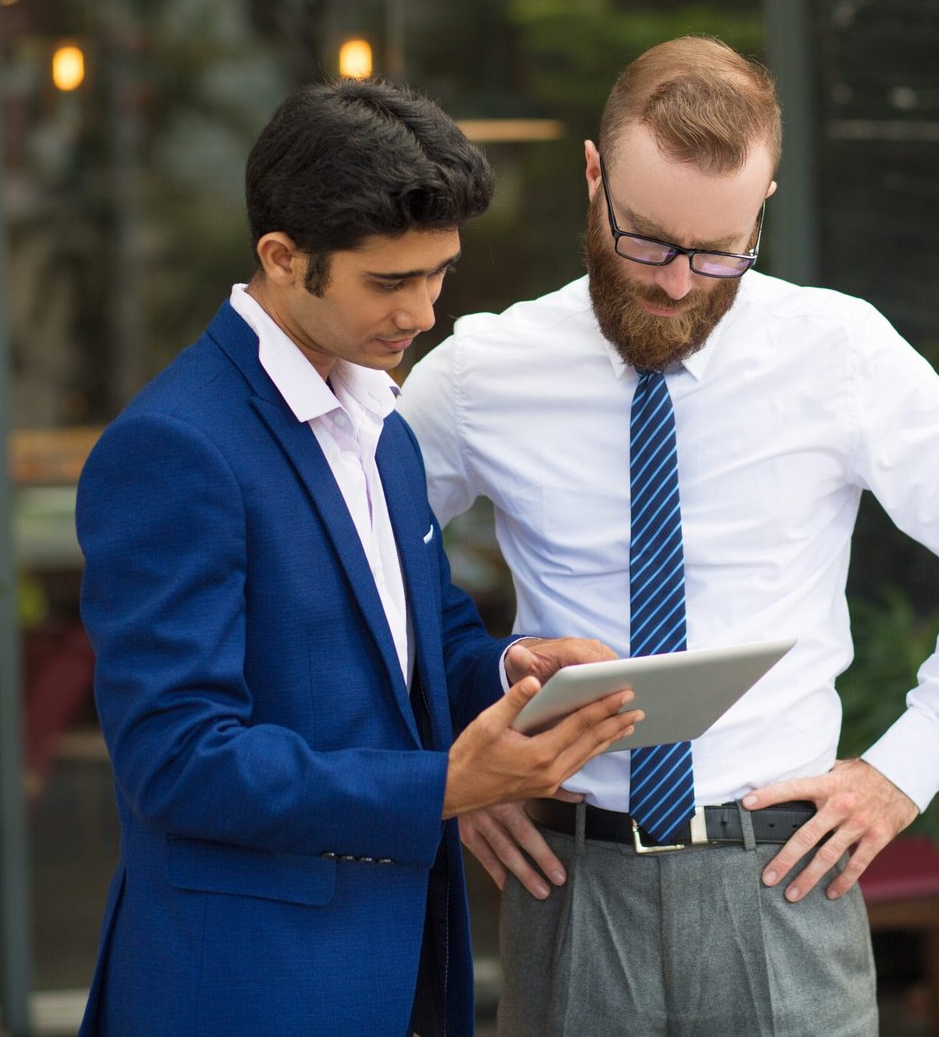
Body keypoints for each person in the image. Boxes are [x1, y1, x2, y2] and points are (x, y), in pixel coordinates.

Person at [396, 36, 939, 1035]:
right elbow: (353, 561)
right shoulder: (485, 371)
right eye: (648, 241)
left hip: (783, 880)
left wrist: (901, 770)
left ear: (764, 205)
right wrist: (444, 760)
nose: (676, 283)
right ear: (593, 178)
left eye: (719, 253)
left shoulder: (837, 350)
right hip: (568, 883)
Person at [74, 78, 637, 1037]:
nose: (421, 312)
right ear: (283, 258)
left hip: (401, 965)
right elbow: (175, 760)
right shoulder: (174, 447)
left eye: (440, 274)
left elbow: (417, 637)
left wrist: (509, 669)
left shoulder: (382, 420)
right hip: (244, 989)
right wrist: (447, 788)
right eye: (390, 281)